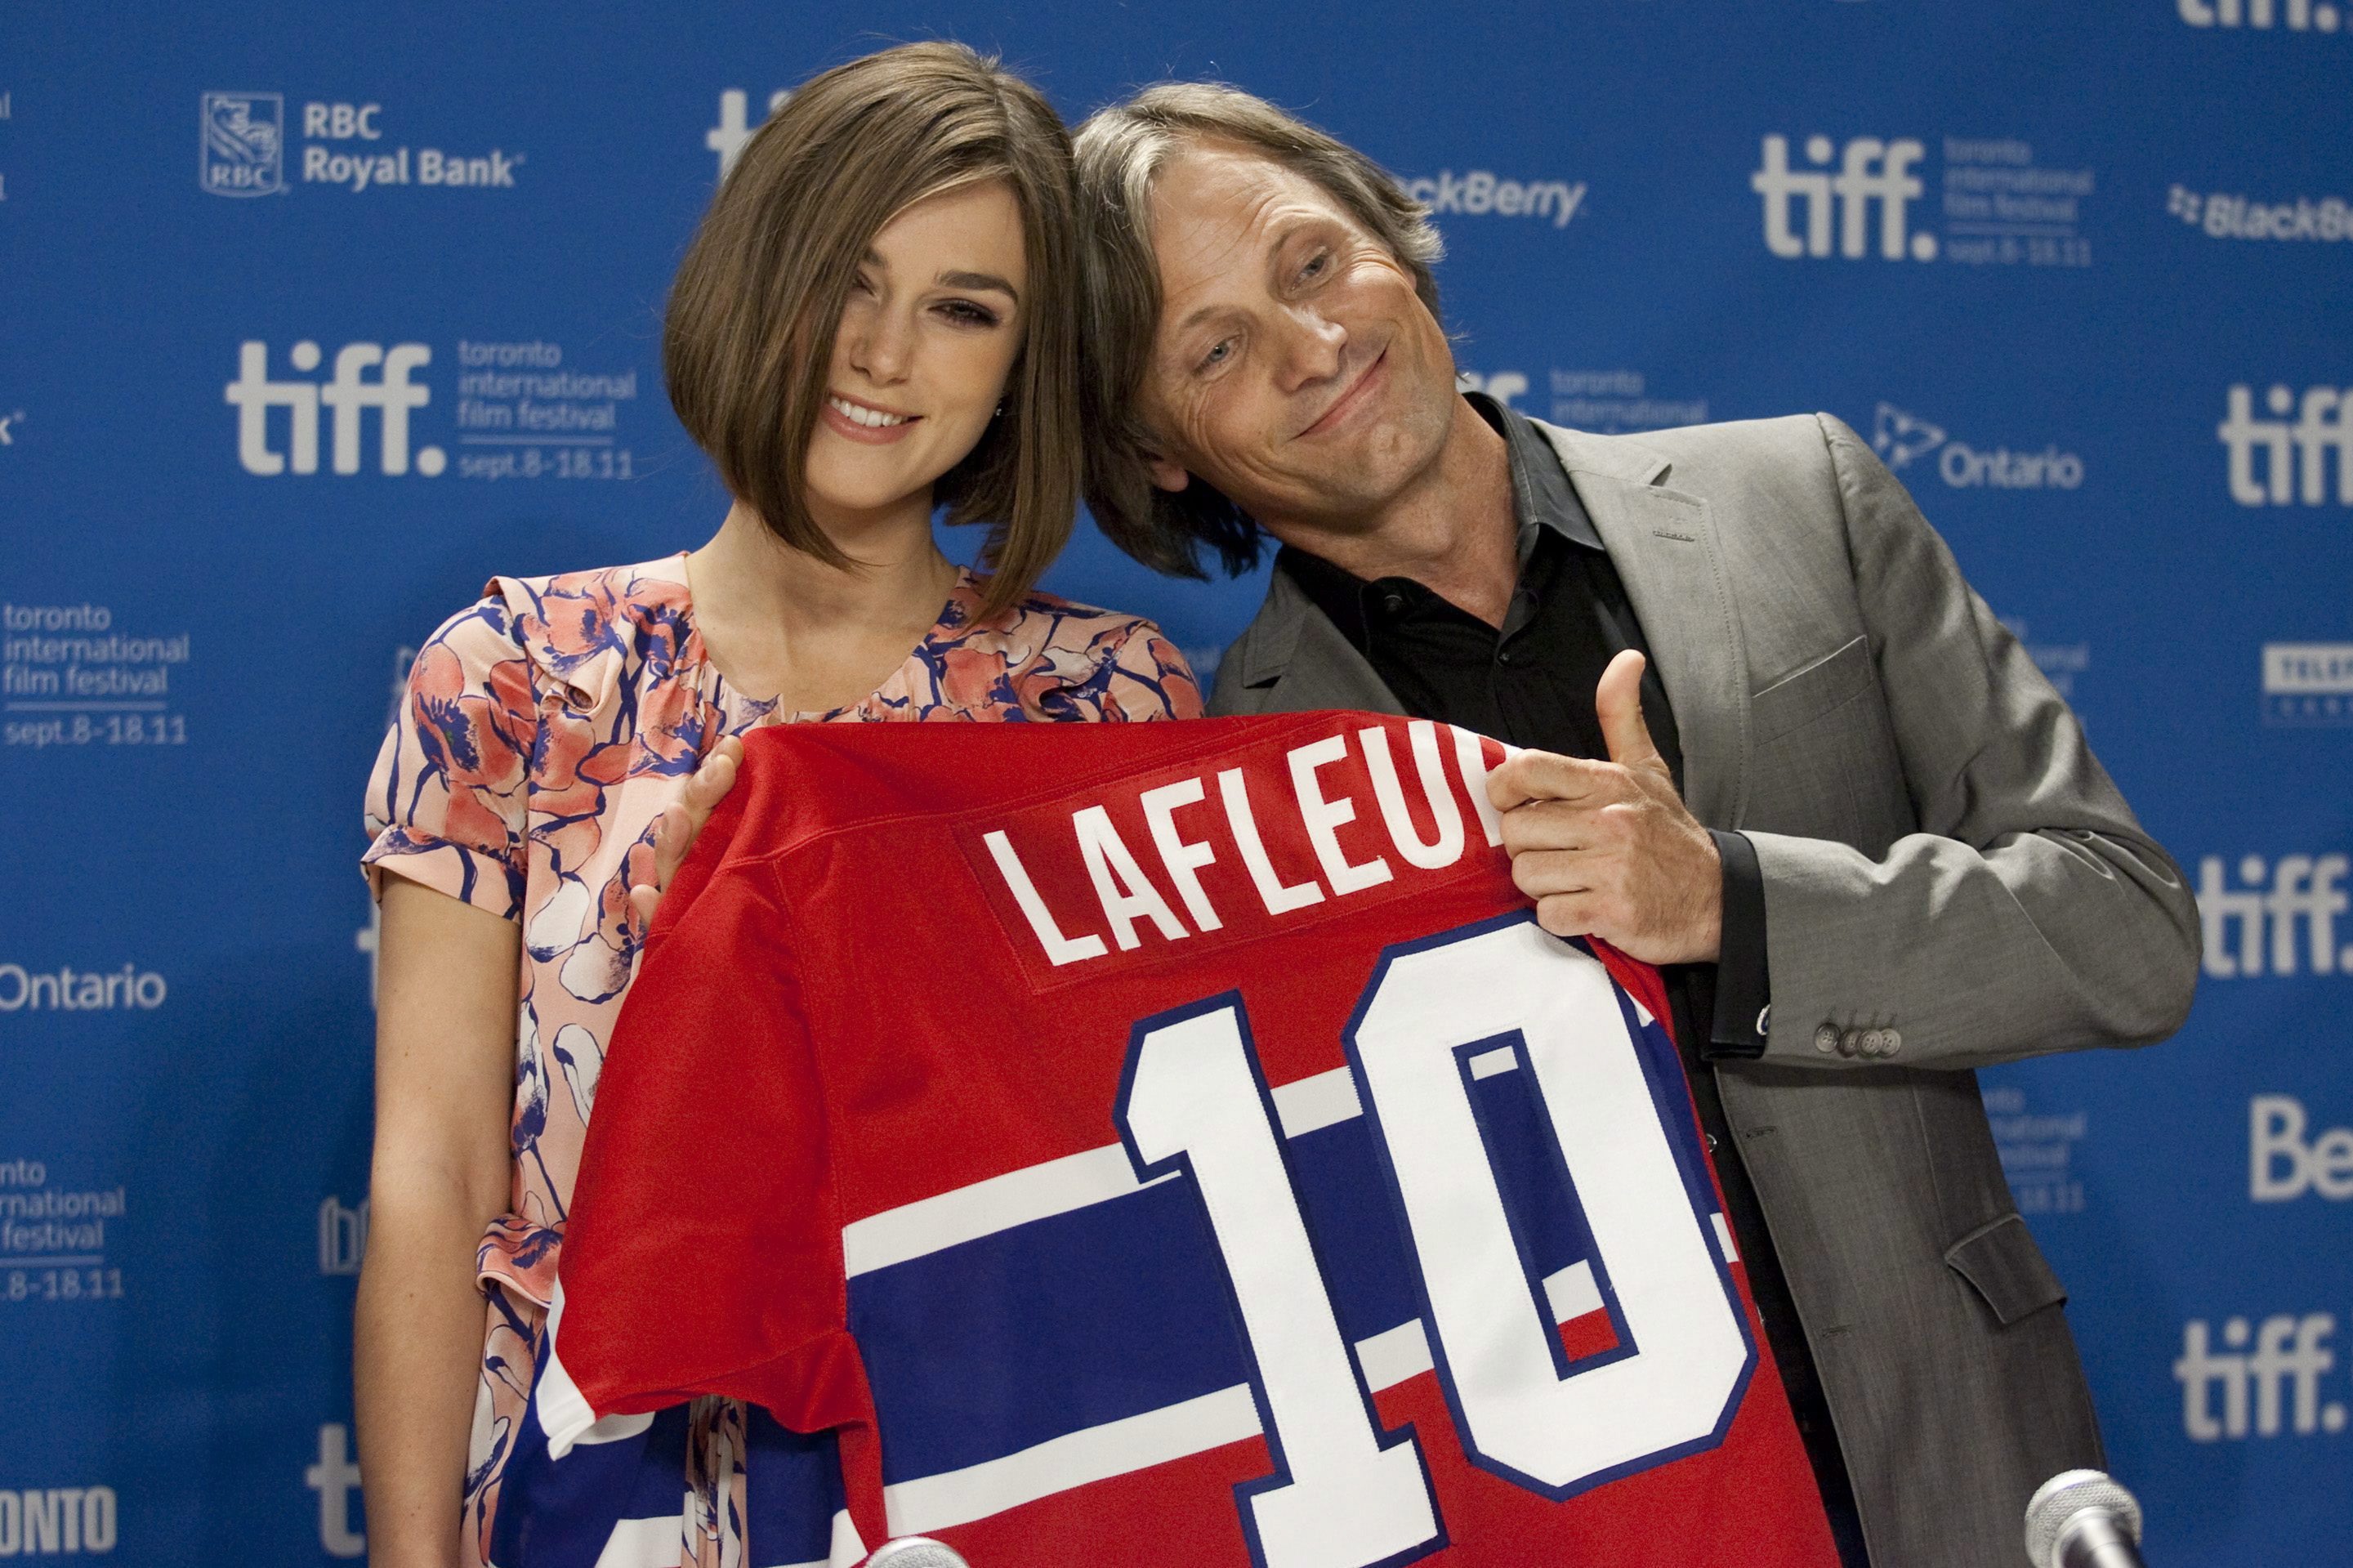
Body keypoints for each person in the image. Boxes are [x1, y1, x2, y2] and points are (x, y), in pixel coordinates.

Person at [1065, 83, 2199, 1567]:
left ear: (1395, 241)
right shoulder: (1229, 772)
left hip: (1970, 1468)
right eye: (1216, 350)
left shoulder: (1801, 496)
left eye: (1314, 263)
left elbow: (2125, 931)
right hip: (1591, 1524)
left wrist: (1731, 903)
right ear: (1159, 451)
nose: (1316, 346)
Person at [355, 44, 1201, 1568]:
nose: (882, 353)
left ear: (1023, 366)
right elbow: (432, 1173)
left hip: (954, 1479)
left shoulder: (1097, 702)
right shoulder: (513, 678)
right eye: (848, 279)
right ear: (759, 280)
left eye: (964, 310)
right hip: (575, 1478)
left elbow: (1116, 1170)